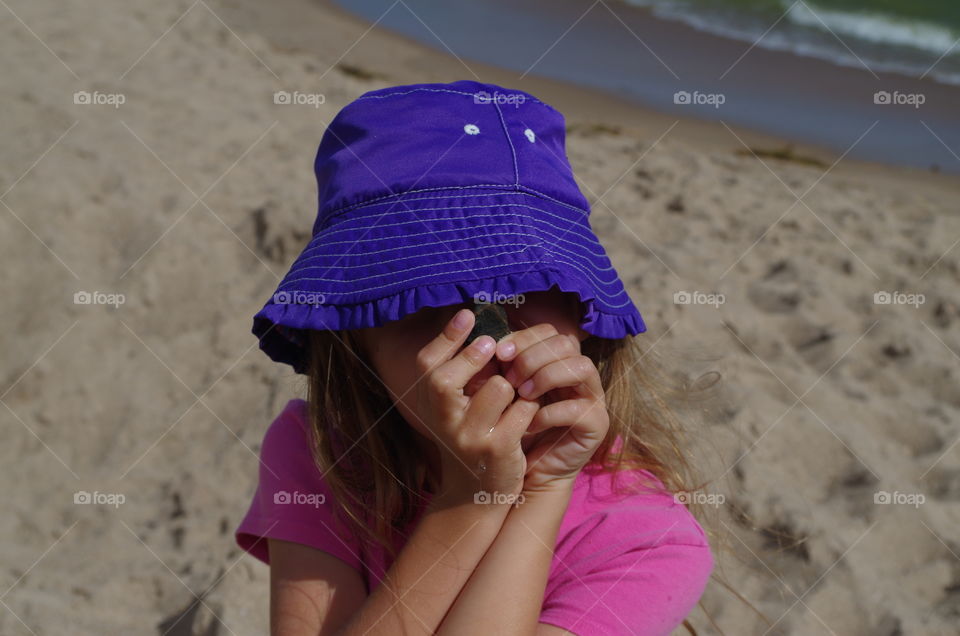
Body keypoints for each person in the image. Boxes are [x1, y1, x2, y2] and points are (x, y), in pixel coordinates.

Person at [235, 80, 714, 635]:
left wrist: (540, 492)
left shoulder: (645, 539)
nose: (485, 332)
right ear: (351, 336)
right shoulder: (319, 453)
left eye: (521, 283)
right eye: (423, 293)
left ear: (585, 313)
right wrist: (470, 501)